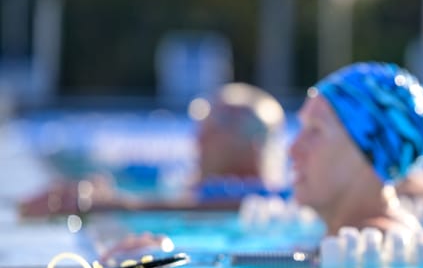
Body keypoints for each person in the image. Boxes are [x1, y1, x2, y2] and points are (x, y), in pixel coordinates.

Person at [18, 82, 287, 217]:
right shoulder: (182, 181)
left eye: (211, 132)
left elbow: (224, 203)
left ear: (252, 144)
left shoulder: (268, 196)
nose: (197, 142)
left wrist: (116, 204)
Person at [289, 61, 423, 236]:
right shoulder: (347, 239)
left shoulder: (376, 248)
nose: (293, 149)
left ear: (369, 152)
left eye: (315, 130)